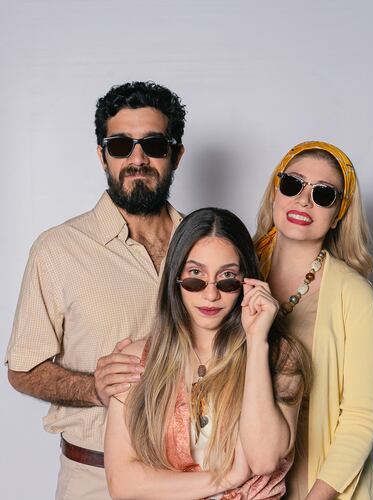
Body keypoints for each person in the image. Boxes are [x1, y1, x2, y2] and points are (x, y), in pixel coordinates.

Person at [6, 81, 186, 499]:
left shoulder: (206, 245)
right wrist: (94, 387)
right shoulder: (57, 250)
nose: (137, 159)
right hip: (95, 480)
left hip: (195, 475)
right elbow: (23, 369)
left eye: (153, 145)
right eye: (120, 145)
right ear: (103, 155)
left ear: (176, 154)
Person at [105, 207, 311, 500]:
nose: (211, 294)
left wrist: (256, 342)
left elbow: (264, 459)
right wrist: (227, 478)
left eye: (227, 277)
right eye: (195, 276)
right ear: (176, 278)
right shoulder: (139, 359)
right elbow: (122, 483)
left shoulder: (278, 355)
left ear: (247, 282)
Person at [254, 141, 373, 499]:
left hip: (322, 489)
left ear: (339, 213)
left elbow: (360, 418)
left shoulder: (355, 296)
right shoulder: (235, 271)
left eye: (323, 194)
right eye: (293, 184)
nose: (304, 201)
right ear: (275, 191)